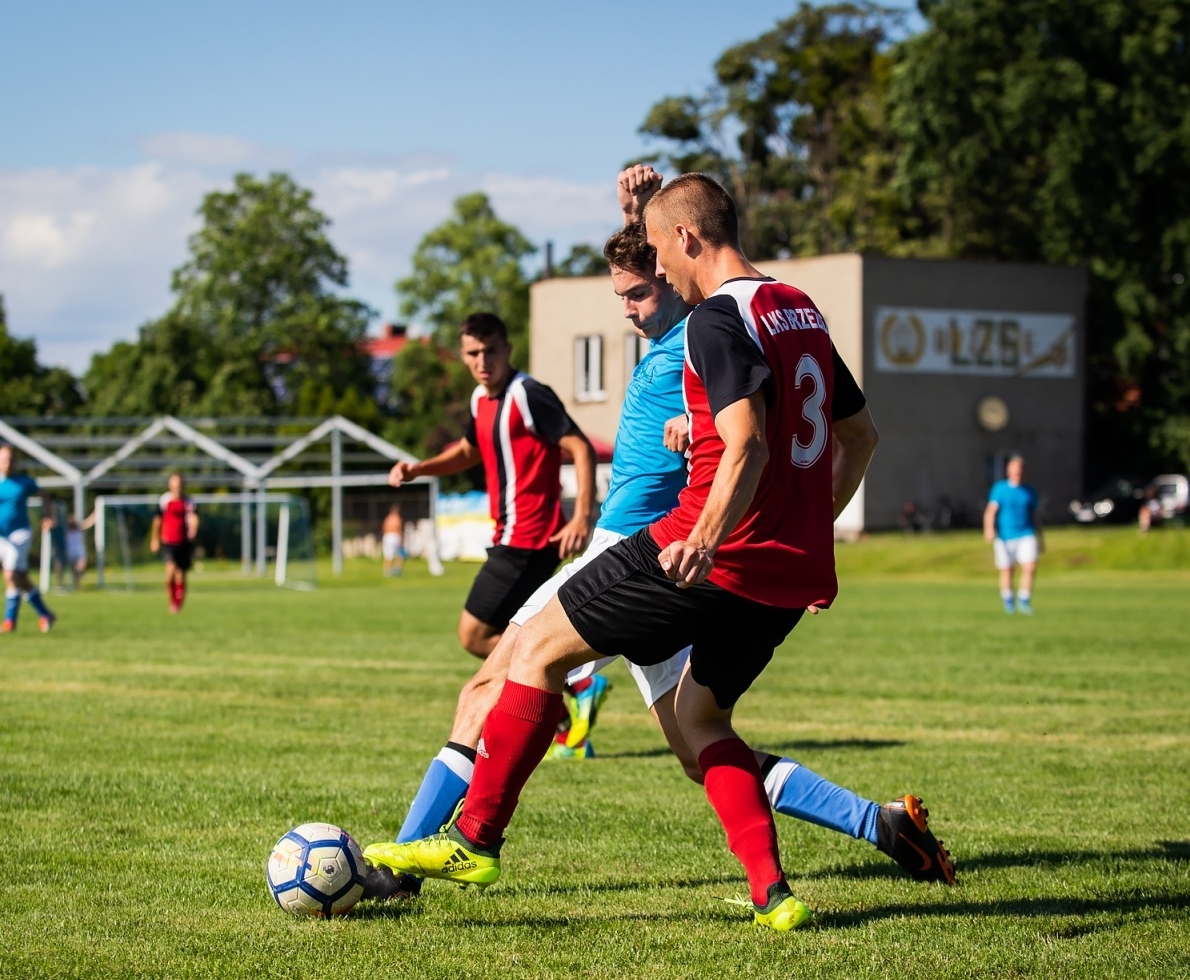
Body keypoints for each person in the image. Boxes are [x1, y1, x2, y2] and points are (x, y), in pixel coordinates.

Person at [366, 173, 953, 931]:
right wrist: (803, 529)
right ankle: (828, 859)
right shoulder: (794, 308)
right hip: (772, 569)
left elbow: (744, 440)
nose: (641, 295)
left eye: (649, 279)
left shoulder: (708, 321)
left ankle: (445, 852)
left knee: (514, 667)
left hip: (680, 547)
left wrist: (705, 532)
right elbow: (858, 434)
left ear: (683, 245)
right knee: (698, 729)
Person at [388, 312, 596, 658]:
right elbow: (468, 451)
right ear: (462, 355)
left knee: (474, 633)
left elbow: (580, 447)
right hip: (509, 536)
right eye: (473, 353)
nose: (483, 362)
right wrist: (418, 469)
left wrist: (582, 516)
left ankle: (571, 684)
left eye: (491, 351)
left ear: (508, 349)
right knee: (508, 633)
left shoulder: (528, 394)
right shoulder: (479, 399)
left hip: (531, 537)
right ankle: (554, 698)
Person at [0, 445, 57, 635]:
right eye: (3, 459)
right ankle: (45, 614)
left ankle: (9, 622)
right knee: (21, 578)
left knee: (9, 574)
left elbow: (44, 495)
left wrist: (48, 516)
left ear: (16, 462)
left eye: (10, 459)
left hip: (20, 533)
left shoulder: (24, 482)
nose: (7, 463)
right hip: (0, 537)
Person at [984, 454, 1042, 615]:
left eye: (1020, 470)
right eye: (1014, 470)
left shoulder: (1029, 491)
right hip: (1005, 535)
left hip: (1026, 532)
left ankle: (1024, 600)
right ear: (1008, 471)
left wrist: (1040, 538)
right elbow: (991, 511)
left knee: (1030, 566)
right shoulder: (1000, 489)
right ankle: (1008, 601)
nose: (1017, 473)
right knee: (1007, 570)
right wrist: (989, 528)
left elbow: (1035, 515)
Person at [150, 473, 199, 614]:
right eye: (175, 484)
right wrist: (154, 539)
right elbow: (157, 521)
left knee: (181, 575)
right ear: (170, 485)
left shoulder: (189, 502)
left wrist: (193, 530)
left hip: (184, 543)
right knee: (170, 573)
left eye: (180, 484)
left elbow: (194, 518)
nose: (178, 487)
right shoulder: (164, 500)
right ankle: (172, 603)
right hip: (168, 542)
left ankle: (178, 604)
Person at [57, 507, 96, 592]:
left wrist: (96, 511)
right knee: (61, 566)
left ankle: (76, 585)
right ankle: (62, 585)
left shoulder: (79, 528)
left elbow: (89, 522)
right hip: (68, 552)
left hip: (79, 552)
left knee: (79, 569)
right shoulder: (65, 530)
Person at [382, 504, 406, 577]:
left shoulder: (387, 519)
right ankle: (397, 569)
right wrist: (401, 539)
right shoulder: (397, 518)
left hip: (387, 537)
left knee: (388, 555)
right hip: (394, 536)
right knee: (401, 553)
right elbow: (398, 529)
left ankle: (387, 570)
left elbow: (383, 528)